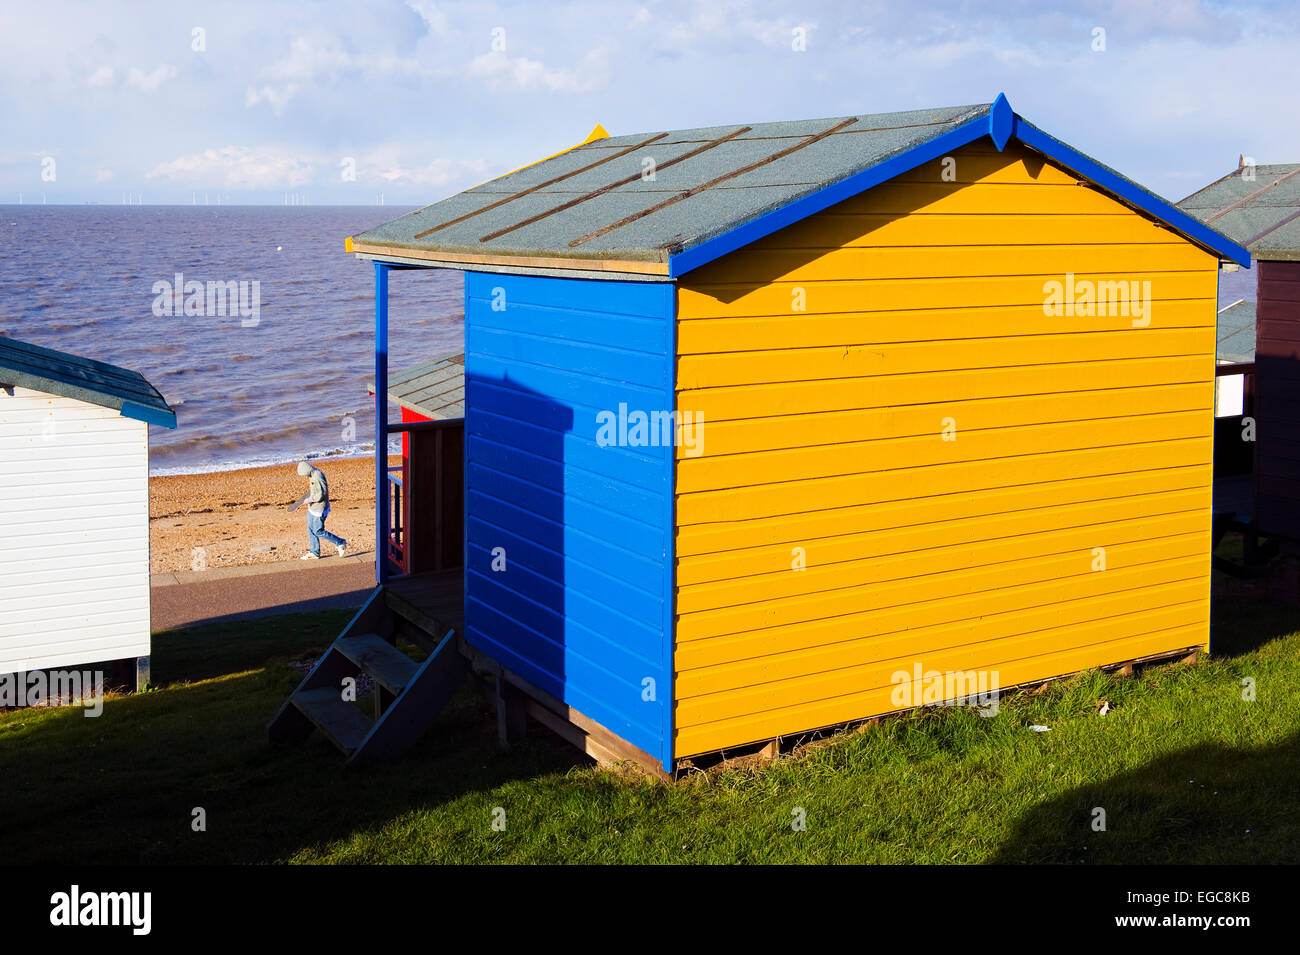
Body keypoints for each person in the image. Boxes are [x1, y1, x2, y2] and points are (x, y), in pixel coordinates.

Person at [297, 461, 347, 559]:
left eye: (303, 474)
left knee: (318, 531)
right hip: (313, 508)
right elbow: (315, 491)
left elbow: (320, 495)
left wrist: (309, 500)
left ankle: (340, 542)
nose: (304, 476)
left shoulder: (317, 476)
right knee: (310, 529)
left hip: (319, 509)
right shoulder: (312, 474)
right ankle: (315, 552)